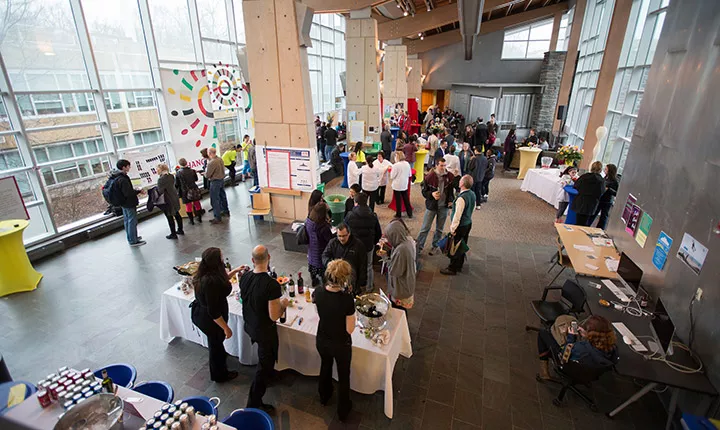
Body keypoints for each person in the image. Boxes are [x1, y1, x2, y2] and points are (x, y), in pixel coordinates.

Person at [240, 245, 288, 412]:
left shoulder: (244, 277)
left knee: (266, 359)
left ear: (253, 260)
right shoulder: (271, 285)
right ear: (269, 259)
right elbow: (274, 316)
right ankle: (253, 403)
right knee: (264, 364)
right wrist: (283, 304)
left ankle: (270, 374)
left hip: (250, 325)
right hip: (264, 331)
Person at [191, 247, 246, 382]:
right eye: (221, 257)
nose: (223, 258)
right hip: (209, 320)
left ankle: (221, 362)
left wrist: (235, 271)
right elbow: (214, 312)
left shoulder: (206, 273)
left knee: (216, 344)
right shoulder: (211, 283)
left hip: (204, 313)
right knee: (215, 347)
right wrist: (225, 328)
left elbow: (222, 279)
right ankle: (219, 375)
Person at [313, 259, 356, 421]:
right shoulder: (346, 299)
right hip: (340, 343)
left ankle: (324, 395)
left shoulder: (318, 292)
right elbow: (349, 329)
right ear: (344, 279)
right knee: (344, 375)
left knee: (325, 366)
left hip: (323, 338)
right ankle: (343, 410)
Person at [537, 315, 619, 380]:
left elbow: (564, 354)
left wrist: (570, 338)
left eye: (582, 331)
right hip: (590, 373)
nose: (579, 329)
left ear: (591, 335)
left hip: (568, 366)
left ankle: (544, 373)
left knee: (543, 333)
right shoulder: (613, 348)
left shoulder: (581, 348)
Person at [344, 192, 382, 293]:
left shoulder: (350, 215)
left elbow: (344, 228)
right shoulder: (373, 215)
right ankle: (369, 287)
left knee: (353, 266)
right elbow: (379, 232)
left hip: (354, 245)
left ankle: (353, 286)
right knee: (369, 266)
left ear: (356, 203)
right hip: (368, 245)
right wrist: (374, 242)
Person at [416, 158, 454, 255]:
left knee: (439, 228)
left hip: (444, 206)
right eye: (441, 165)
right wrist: (431, 194)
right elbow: (424, 192)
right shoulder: (430, 177)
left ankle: (435, 245)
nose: (443, 168)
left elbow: (451, 191)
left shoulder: (449, 176)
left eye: (445, 165)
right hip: (432, 206)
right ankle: (419, 247)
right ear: (436, 165)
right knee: (425, 228)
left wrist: (450, 200)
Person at [441, 175, 476, 276]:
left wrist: (453, 228)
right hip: (468, 223)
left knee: (454, 246)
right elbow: (472, 208)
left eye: (460, 180)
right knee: (462, 244)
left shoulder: (462, 198)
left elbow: (457, 215)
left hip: (460, 225)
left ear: (462, 184)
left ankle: (452, 268)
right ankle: (459, 264)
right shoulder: (472, 194)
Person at [379, 219, 416, 313]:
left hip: (401, 288)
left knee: (399, 312)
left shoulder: (401, 250)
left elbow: (394, 271)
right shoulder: (407, 241)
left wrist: (384, 257)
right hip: (408, 284)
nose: (389, 240)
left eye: (390, 237)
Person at [322, 223, 367, 295]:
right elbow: (324, 255)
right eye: (339, 236)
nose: (342, 238)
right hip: (335, 278)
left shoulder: (358, 245)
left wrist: (362, 283)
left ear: (349, 233)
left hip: (351, 278)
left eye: (344, 236)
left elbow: (363, 265)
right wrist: (331, 265)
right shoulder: (333, 243)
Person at [109, 159, 145, 247]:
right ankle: (133, 240)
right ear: (124, 167)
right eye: (128, 166)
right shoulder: (123, 179)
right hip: (128, 203)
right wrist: (138, 191)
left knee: (127, 221)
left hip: (123, 203)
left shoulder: (116, 176)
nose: (129, 168)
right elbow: (128, 193)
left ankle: (131, 237)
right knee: (132, 221)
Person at [306, 202, 334, 287]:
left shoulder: (309, 221)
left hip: (312, 253)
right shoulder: (323, 226)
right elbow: (330, 240)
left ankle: (314, 285)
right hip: (321, 253)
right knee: (323, 278)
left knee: (314, 275)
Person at [572, 161, 605, 227]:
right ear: (600, 169)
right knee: (585, 222)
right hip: (591, 203)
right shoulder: (601, 180)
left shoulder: (584, 176)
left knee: (578, 220)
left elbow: (576, 185)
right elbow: (601, 192)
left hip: (580, 200)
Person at [156, 163, 184, 239]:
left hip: (167, 200)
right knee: (177, 213)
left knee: (169, 216)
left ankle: (173, 233)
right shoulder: (171, 176)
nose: (156, 171)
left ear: (161, 170)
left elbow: (160, 191)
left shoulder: (161, 179)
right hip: (174, 197)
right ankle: (180, 229)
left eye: (157, 169)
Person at [175, 158, 203, 225]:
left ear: (180, 164)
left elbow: (177, 184)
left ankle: (191, 221)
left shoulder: (178, 173)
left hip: (185, 191)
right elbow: (196, 179)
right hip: (194, 188)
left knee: (188, 206)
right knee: (197, 203)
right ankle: (199, 218)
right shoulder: (192, 171)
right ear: (186, 163)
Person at [591, 164, 619, 229]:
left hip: (607, 201)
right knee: (594, 213)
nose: (604, 170)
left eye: (606, 169)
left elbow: (616, 193)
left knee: (604, 216)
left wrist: (608, 189)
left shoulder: (614, 181)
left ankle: (600, 229)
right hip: (600, 199)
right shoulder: (605, 178)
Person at [206, 147, 229, 224]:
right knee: (223, 196)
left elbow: (208, 175)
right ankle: (225, 211)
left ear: (209, 153)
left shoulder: (211, 163)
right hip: (221, 180)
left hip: (215, 181)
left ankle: (217, 217)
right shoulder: (220, 159)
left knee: (215, 199)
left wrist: (204, 173)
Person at [390, 151, 413, 219]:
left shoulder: (396, 165)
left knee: (398, 200)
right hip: (404, 184)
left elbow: (392, 176)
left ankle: (398, 214)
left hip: (397, 185)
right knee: (406, 199)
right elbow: (409, 174)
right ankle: (410, 213)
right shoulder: (407, 164)